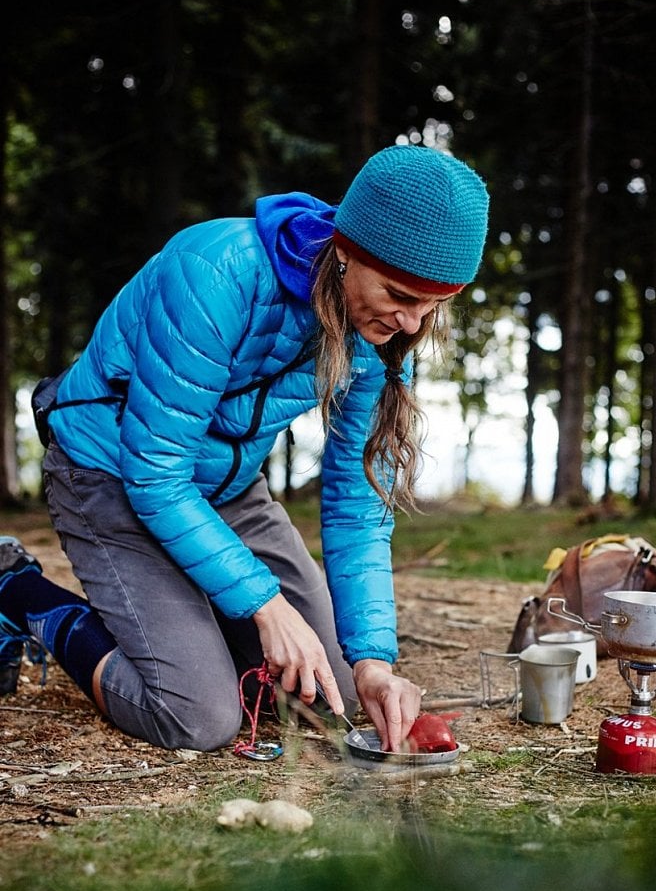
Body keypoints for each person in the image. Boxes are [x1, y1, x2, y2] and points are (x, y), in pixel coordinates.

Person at [0, 144, 489, 753]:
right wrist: (265, 604)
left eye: (434, 304)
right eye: (399, 294)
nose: (413, 324)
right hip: (113, 474)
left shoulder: (378, 337)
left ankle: (204, 622)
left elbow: (355, 503)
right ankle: (17, 589)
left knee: (328, 692)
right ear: (345, 251)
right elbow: (155, 475)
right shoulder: (215, 271)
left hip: (228, 490)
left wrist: (372, 660)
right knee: (200, 717)